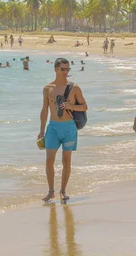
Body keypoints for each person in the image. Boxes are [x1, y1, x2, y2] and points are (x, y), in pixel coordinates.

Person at [38, 57, 88, 203]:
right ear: (56, 69)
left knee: (66, 160)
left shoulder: (74, 88)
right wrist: (41, 130)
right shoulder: (48, 89)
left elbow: (84, 107)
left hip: (69, 128)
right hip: (53, 127)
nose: (66, 72)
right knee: (49, 160)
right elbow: (44, 110)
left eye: (68, 69)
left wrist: (70, 106)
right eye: (63, 69)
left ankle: (63, 191)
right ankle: (51, 191)